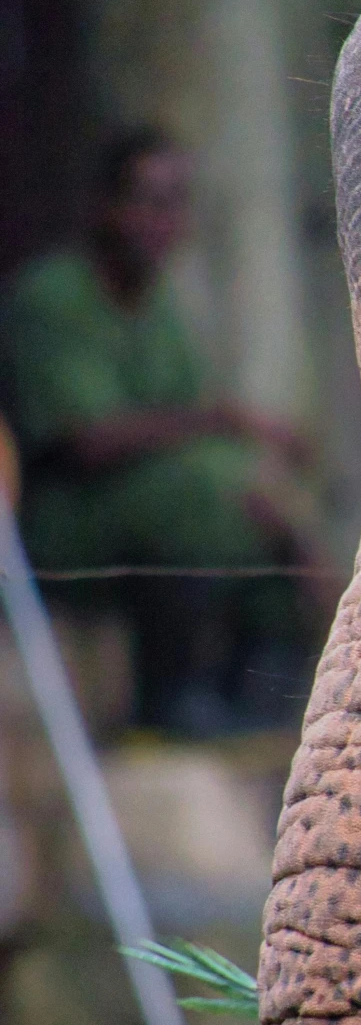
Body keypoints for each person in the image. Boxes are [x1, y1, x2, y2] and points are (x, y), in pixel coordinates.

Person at [0, 126, 335, 734]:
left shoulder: (159, 306)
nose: (162, 222)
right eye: (148, 202)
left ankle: (262, 690)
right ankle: (174, 693)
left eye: (176, 204)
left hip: (147, 501)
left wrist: (269, 484)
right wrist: (229, 422)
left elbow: (192, 418)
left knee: (259, 494)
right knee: (201, 494)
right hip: (67, 521)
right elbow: (87, 441)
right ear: (106, 207)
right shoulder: (52, 298)